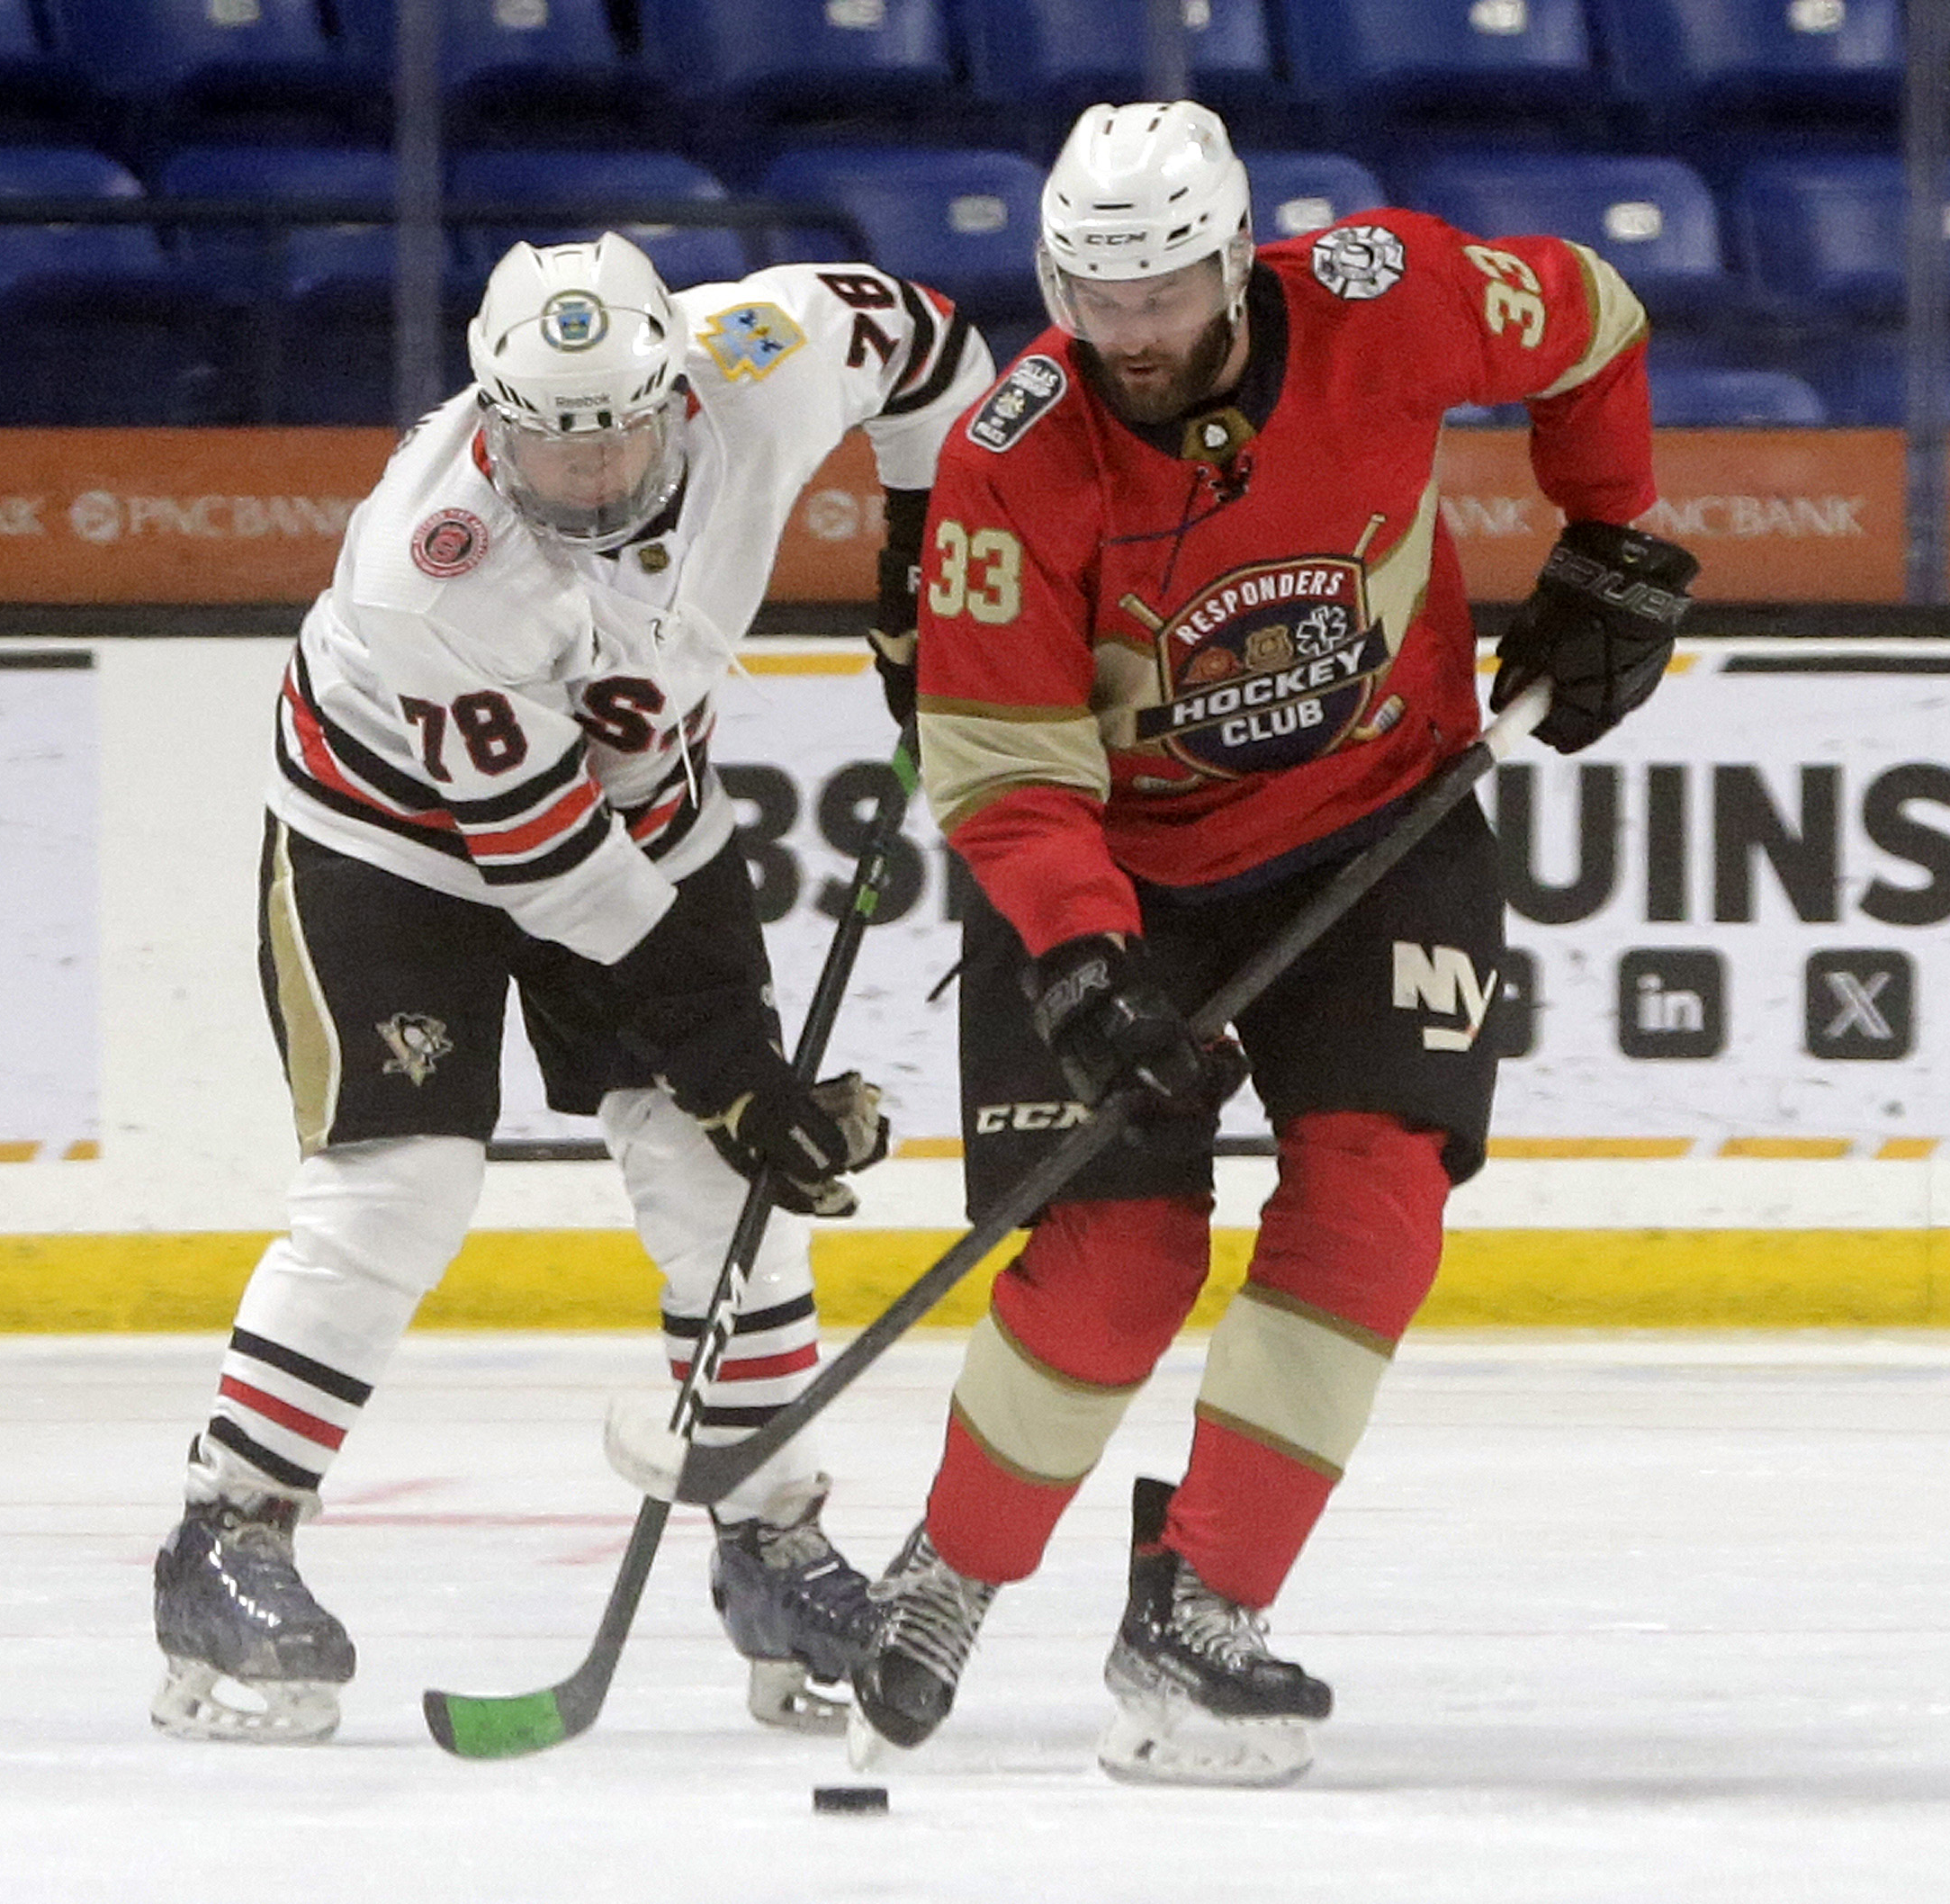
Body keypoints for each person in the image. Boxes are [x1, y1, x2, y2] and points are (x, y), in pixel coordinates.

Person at [850, 102, 1697, 1785]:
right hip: (1113, 869)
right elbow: (1005, 772)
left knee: (1375, 1206)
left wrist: (1610, 535)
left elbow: (1594, 313)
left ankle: (1203, 1608)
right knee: (1115, 1274)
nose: (1133, 334)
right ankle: (950, 1568)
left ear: (1236, 258)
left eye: (1165, 291)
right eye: (1097, 298)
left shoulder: (1390, 296)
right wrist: (1088, 964)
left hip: (1381, 828)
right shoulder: (1012, 457)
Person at [151, 232, 993, 1743]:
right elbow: (569, 884)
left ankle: (771, 1541)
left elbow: (936, 353)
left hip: (641, 788)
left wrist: (928, 561)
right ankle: (229, 1535)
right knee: (401, 1180)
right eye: (549, 439)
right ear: (490, 415)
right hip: (391, 839)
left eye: (618, 429)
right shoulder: (433, 571)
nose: (591, 471)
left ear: (680, 384)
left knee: (710, 1184)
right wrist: (744, 1068)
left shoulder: (763, 358)